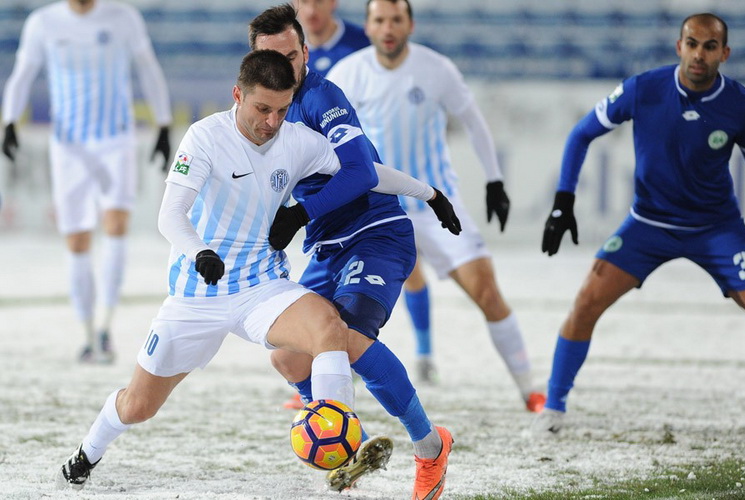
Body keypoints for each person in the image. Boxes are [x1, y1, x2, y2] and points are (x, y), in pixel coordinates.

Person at [55, 48, 453, 491]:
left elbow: (364, 171)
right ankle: (87, 452)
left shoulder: (297, 141)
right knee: (138, 406)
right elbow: (170, 214)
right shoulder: (205, 137)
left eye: (282, 110)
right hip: (195, 296)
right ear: (237, 95)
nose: (271, 122)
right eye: (263, 109)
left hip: (261, 287)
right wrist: (199, 252)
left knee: (329, 327)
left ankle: (338, 440)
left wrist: (429, 194)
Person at [249, 5, 456, 498]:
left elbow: (362, 171)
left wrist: (301, 214)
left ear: (305, 53)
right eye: (270, 60)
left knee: (349, 337)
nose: (283, 69)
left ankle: (430, 446)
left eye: (291, 57)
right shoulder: (260, 109)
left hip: (375, 233)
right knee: (288, 357)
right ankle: (342, 433)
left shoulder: (322, 97)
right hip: (326, 246)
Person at [534, 12, 745, 435]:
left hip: (718, 228)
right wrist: (563, 202)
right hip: (648, 225)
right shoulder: (643, 88)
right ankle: (553, 407)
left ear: (725, 53)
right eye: (692, 44)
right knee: (586, 302)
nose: (699, 54)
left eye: (710, 46)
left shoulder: (742, 105)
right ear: (679, 46)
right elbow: (581, 133)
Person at [326, 0, 545, 411]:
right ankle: (322, 390)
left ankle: (529, 389)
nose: (388, 28)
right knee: (347, 304)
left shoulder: (436, 69)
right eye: (379, 20)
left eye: (396, 19)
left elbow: (474, 121)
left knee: (487, 291)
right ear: (368, 27)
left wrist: (495, 180)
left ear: (410, 24)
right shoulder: (347, 74)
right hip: (376, 210)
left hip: (438, 205)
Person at [1, 0, 172, 363]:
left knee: (116, 225)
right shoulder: (43, 22)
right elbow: (23, 73)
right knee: (77, 239)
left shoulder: (123, 17)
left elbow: (148, 68)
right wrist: (10, 120)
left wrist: (163, 123)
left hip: (116, 139)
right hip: (69, 146)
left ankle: (106, 326)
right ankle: (87, 331)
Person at [294, 0, 369, 77]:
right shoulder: (289, 51)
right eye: (304, 2)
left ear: (333, 2)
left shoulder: (365, 41)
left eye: (319, 1)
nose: (311, 11)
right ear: (295, 4)